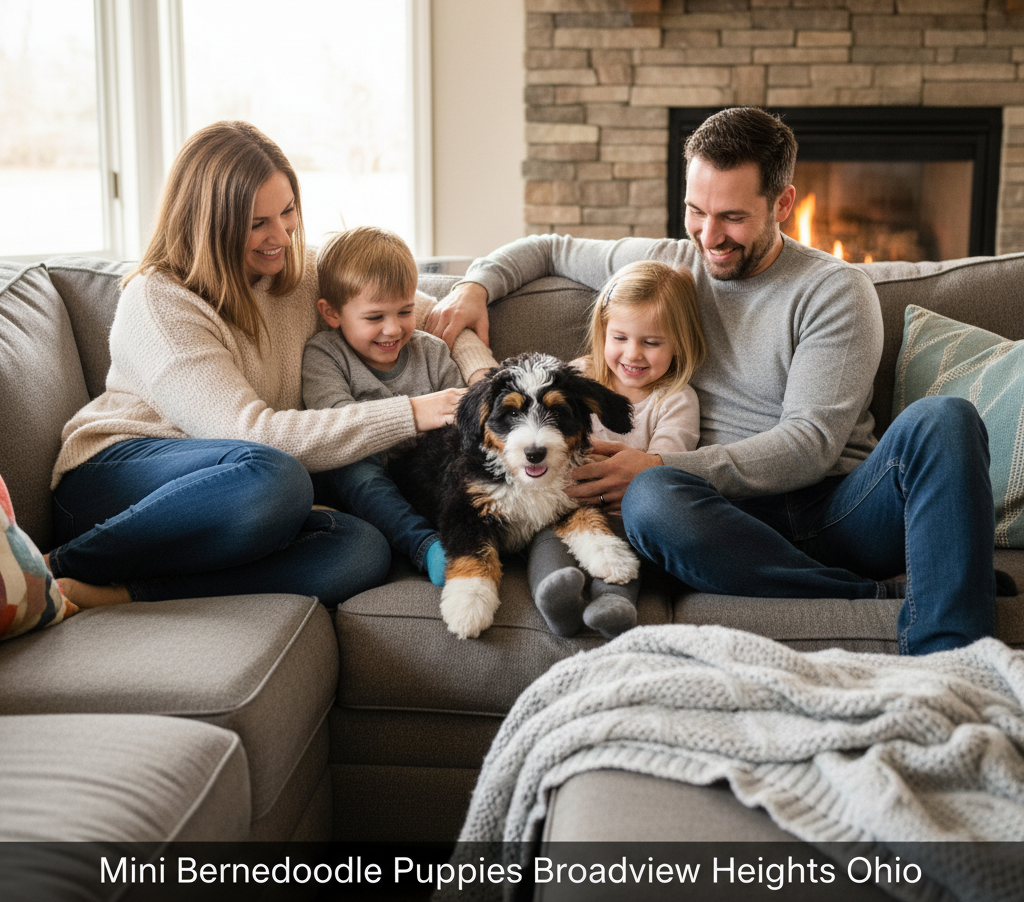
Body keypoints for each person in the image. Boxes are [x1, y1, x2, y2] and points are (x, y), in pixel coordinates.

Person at [427, 106, 999, 657]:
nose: (709, 236)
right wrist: (476, 286)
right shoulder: (670, 264)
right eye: (696, 210)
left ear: (782, 203)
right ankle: (867, 596)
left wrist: (659, 466)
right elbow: (548, 247)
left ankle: (952, 659)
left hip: (835, 510)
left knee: (944, 418)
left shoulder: (833, 291)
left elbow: (810, 446)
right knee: (652, 501)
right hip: (714, 518)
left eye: (732, 217)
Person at [46, 121, 492, 610]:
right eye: (258, 223)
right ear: (207, 222)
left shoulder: (299, 271)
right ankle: (51, 569)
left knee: (362, 549)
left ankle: (120, 593)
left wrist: (483, 380)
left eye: (288, 211)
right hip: (118, 480)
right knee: (275, 478)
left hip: (240, 491)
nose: (280, 236)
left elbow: (432, 315)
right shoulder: (158, 301)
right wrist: (413, 412)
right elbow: (251, 435)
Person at [529, 260, 704, 639]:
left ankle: (614, 604)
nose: (633, 354)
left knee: (626, 551)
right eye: (620, 338)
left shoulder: (674, 399)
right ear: (603, 332)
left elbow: (660, 467)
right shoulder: (579, 377)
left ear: (680, 342)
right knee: (547, 541)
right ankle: (557, 597)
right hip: (565, 509)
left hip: (625, 515)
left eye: (652, 342)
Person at [301, 226, 466, 587]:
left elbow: (463, 420)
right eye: (375, 317)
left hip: (426, 477)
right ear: (332, 313)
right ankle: (425, 546)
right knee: (353, 465)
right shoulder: (324, 355)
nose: (392, 329)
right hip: (364, 482)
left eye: (405, 311)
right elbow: (338, 428)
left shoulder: (432, 352)